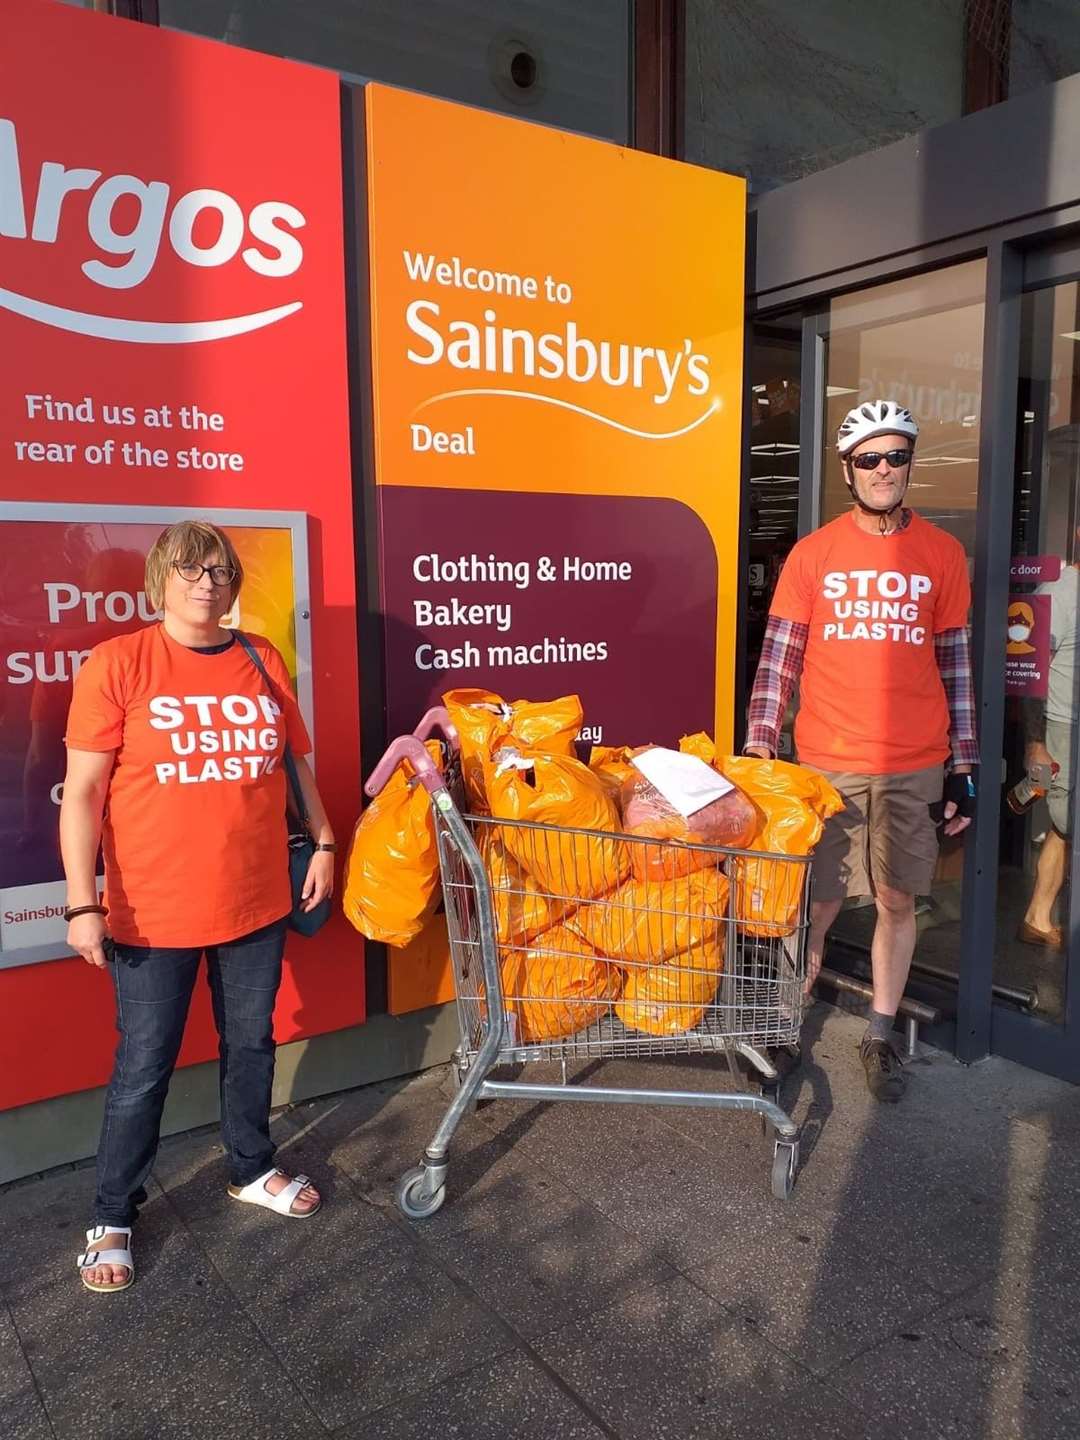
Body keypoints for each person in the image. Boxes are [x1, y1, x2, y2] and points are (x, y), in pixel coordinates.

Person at [61, 520, 336, 1293]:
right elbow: (81, 793)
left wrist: (322, 839)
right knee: (143, 1064)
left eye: (220, 569)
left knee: (250, 1042)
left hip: (255, 898)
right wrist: (84, 902)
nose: (208, 582)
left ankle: (250, 1166)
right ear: (160, 579)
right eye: (191, 569)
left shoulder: (261, 657)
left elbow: (292, 759)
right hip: (152, 909)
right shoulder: (119, 663)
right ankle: (113, 1214)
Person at [744, 399, 978, 1101]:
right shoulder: (814, 554)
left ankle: (879, 1035)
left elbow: (956, 664)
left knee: (897, 901)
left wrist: (963, 764)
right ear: (849, 471)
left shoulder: (942, 553)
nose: (884, 470)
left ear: (910, 465)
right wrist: (759, 748)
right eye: (870, 459)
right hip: (827, 761)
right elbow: (780, 662)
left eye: (896, 456)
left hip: (913, 761)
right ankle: (786, 1026)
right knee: (813, 905)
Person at [1018, 534, 1080, 948]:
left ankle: (1038, 915)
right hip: (1064, 727)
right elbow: (1029, 669)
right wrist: (1035, 741)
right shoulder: (1060, 589)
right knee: (1065, 822)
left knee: (1063, 830)